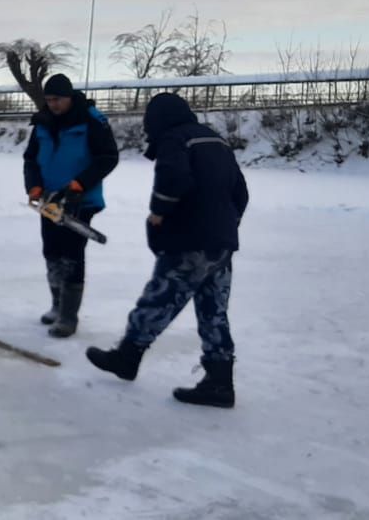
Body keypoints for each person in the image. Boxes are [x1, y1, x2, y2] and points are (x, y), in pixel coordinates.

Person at [86, 93, 250, 409]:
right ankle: (219, 382)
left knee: (159, 297)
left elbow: (173, 177)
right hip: (221, 244)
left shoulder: (176, 138)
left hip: (190, 239)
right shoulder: (215, 140)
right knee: (213, 309)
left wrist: (159, 211)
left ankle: (127, 356)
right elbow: (240, 191)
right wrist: (228, 225)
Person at [23, 73, 119, 338]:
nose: (52, 105)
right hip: (49, 200)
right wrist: (33, 186)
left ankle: (68, 316)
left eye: (57, 99)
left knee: (72, 255)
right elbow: (31, 158)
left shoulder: (92, 120)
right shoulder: (42, 122)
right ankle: (56, 304)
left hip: (81, 199)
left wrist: (80, 184)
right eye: (49, 99)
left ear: (69, 97)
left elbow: (108, 157)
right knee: (51, 251)